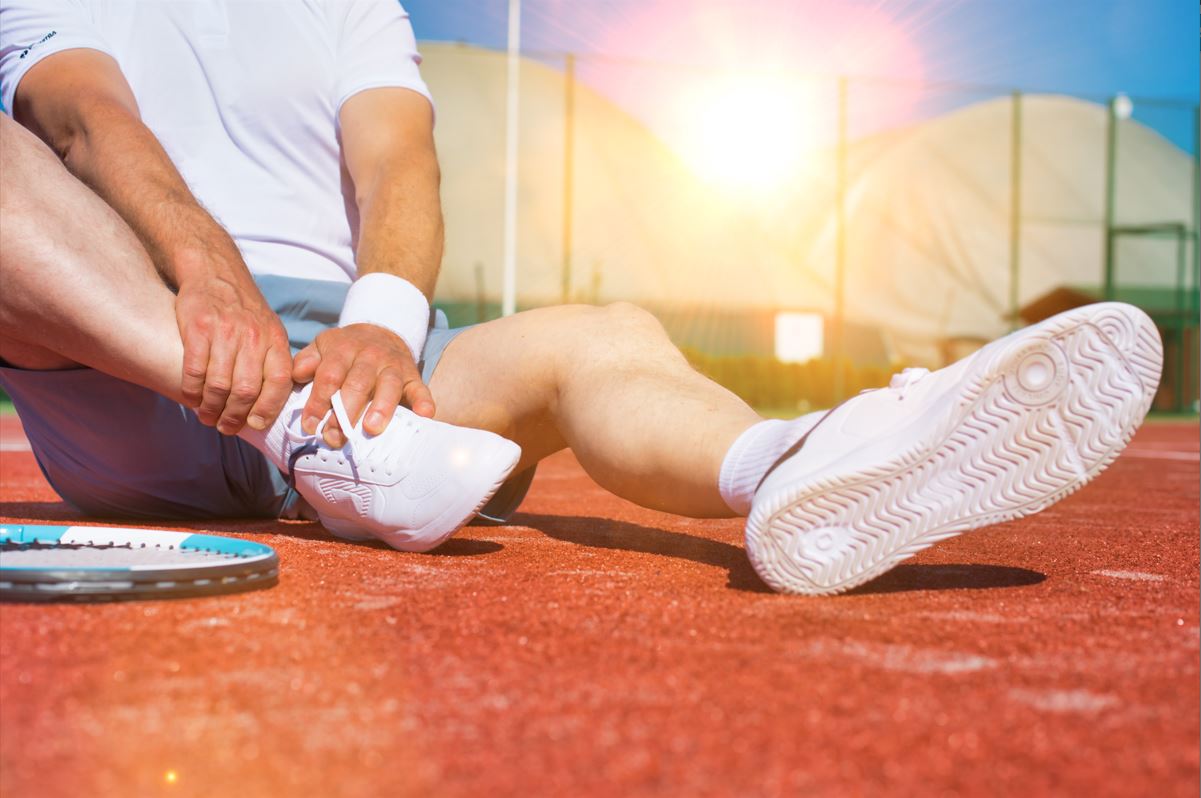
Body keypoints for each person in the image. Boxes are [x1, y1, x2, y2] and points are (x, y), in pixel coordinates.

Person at [0, 1, 1161, 595]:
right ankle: (299, 435)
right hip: (136, 336)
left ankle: (797, 463)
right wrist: (208, 282)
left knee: (606, 336)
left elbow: (400, 163)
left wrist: (382, 325)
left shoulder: (349, 3)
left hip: (358, 366)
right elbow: (85, 119)